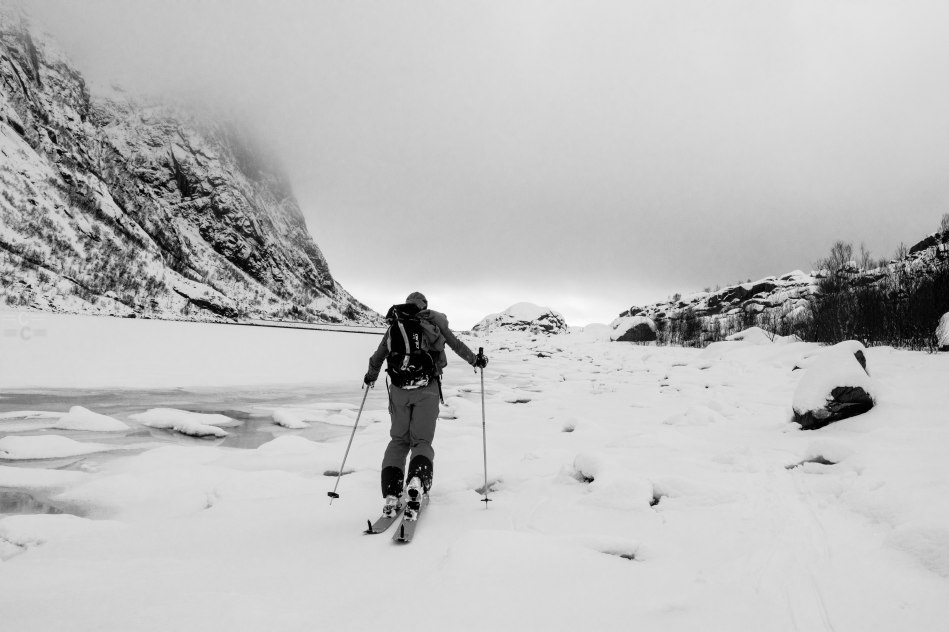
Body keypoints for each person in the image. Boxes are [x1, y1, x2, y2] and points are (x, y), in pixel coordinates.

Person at [364, 291, 488, 518]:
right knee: (421, 441)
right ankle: (417, 483)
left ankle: (392, 494)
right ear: (424, 305)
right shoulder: (434, 321)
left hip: (399, 391)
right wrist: (475, 360)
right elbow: (455, 344)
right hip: (427, 390)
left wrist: (371, 376)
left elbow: (379, 356)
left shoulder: (396, 323)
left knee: (399, 440)